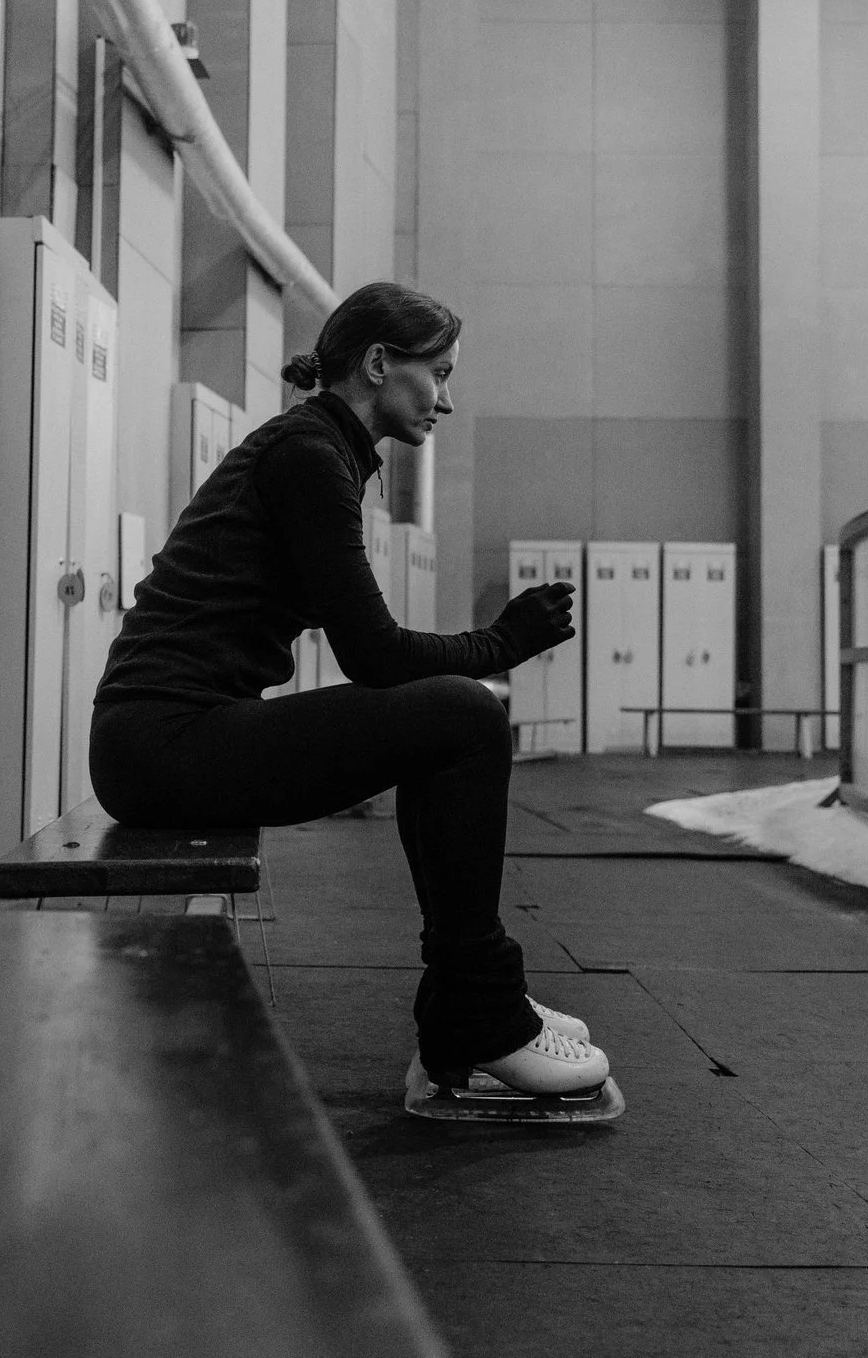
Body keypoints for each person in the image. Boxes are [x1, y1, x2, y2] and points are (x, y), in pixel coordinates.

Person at [89, 281, 609, 1096]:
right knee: (466, 715)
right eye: (437, 371)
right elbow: (375, 652)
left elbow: (374, 649)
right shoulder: (308, 455)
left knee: (446, 726)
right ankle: (479, 1006)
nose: (446, 397)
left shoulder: (320, 450)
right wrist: (505, 641)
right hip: (163, 745)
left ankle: (466, 998)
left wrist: (495, 646)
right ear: (377, 363)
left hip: (167, 738)